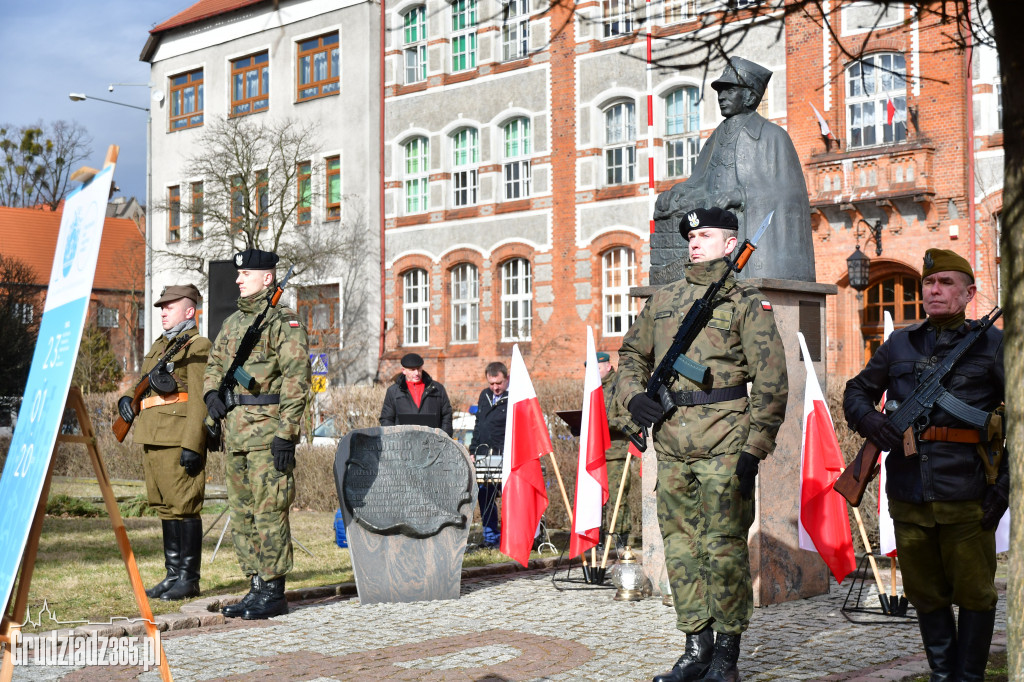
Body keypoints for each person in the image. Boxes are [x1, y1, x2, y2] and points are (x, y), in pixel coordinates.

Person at [617, 207, 788, 682]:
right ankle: (695, 647)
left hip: (725, 444)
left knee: (724, 548)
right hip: (671, 443)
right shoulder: (665, 299)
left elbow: (772, 381)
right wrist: (634, 398)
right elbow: (631, 354)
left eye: (706, 235)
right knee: (681, 549)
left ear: (732, 244)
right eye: (691, 235)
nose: (695, 242)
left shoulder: (746, 302)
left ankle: (727, 654)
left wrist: (754, 449)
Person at [843, 249, 1006, 682]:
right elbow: (855, 391)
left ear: (970, 293)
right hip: (908, 494)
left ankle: (967, 678)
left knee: (975, 594)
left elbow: (1020, 422)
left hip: (968, 494)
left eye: (946, 283)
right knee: (925, 593)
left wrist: (1005, 487)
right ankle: (941, 674)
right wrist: (872, 421)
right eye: (929, 284)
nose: (934, 290)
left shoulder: (994, 344)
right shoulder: (900, 343)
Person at [203, 249, 310, 620]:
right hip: (236, 434)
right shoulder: (233, 323)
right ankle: (256, 587)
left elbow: (298, 381)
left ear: (268, 277)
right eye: (238, 273)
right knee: (243, 513)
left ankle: (274, 591)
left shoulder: (285, 322)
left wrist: (287, 433)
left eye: (245, 273)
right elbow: (216, 363)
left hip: (267, 435)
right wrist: (211, 394)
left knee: (269, 512)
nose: (238, 279)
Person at [652, 57, 814, 283]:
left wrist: (740, 195)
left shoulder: (774, 136)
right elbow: (699, 182)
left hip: (746, 239)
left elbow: (790, 194)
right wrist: (679, 193)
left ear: (749, 96)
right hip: (716, 240)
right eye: (720, 91)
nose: (721, 96)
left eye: (729, 90)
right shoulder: (715, 138)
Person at [118, 284, 211, 601]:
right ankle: (173, 575)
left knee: (185, 507)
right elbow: (144, 388)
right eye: (161, 307)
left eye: (170, 306)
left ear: (190, 311)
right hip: (152, 436)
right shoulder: (159, 346)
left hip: (178, 438)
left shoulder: (197, 346)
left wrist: (193, 444)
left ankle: (189, 578)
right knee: (166, 507)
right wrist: (126, 402)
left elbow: (199, 398)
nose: (162, 311)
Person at [597, 351, 640, 549]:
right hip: (594, 455)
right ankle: (597, 540)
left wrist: (604, 423)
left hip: (615, 454)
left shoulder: (619, 387)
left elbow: (629, 420)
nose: (595, 373)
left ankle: (621, 541)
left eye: (598, 368)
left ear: (608, 366)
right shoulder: (593, 389)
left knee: (618, 500)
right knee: (595, 502)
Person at [468, 362, 509, 548]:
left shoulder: (513, 397)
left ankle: (509, 538)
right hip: (484, 455)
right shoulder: (484, 395)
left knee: (508, 498)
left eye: (499, 383)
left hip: (505, 456)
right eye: (491, 383)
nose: (495, 387)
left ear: (506, 379)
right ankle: (490, 536)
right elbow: (479, 425)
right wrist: (473, 450)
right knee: (485, 497)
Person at [379, 353, 454, 436]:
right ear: (403, 370)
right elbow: (386, 419)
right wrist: (394, 439)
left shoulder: (437, 389)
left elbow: (447, 416)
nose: (417, 373)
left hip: (433, 443)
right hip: (403, 444)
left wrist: (444, 438)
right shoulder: (393, 391)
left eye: (419, 369)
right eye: (412, 370)